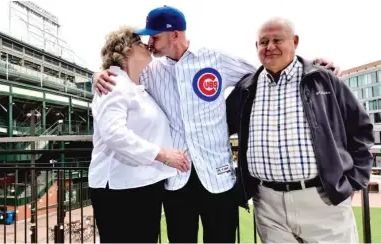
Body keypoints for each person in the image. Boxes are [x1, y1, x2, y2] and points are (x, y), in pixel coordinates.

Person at [92, 6, 341, 243]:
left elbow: (266, 68)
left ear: (174, 34)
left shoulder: (215, 59)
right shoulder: (151, 69)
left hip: (218, 177)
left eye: (154, 37)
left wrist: (309, 65)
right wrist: (99, 74)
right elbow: (123, 74)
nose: (149, 43)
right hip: (177, 178)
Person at [226, 17, 374, 243]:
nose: (270, 47)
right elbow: (219, 128)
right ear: (256, 47)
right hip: (268, 205)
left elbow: (361, 130)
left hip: (322, 201)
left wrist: (353, 181)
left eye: (278, 40)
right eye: (263, 42)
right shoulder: (247, 88)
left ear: (295, 42)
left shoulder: (323, 79)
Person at [88, 26, 190, 243]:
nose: (148, 46)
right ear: (127, 50)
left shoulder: (135, 86)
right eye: (141, 43)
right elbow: (113, 133)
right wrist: (163, 155)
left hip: (141, 186)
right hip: (120, 190)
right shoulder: (114, 83)